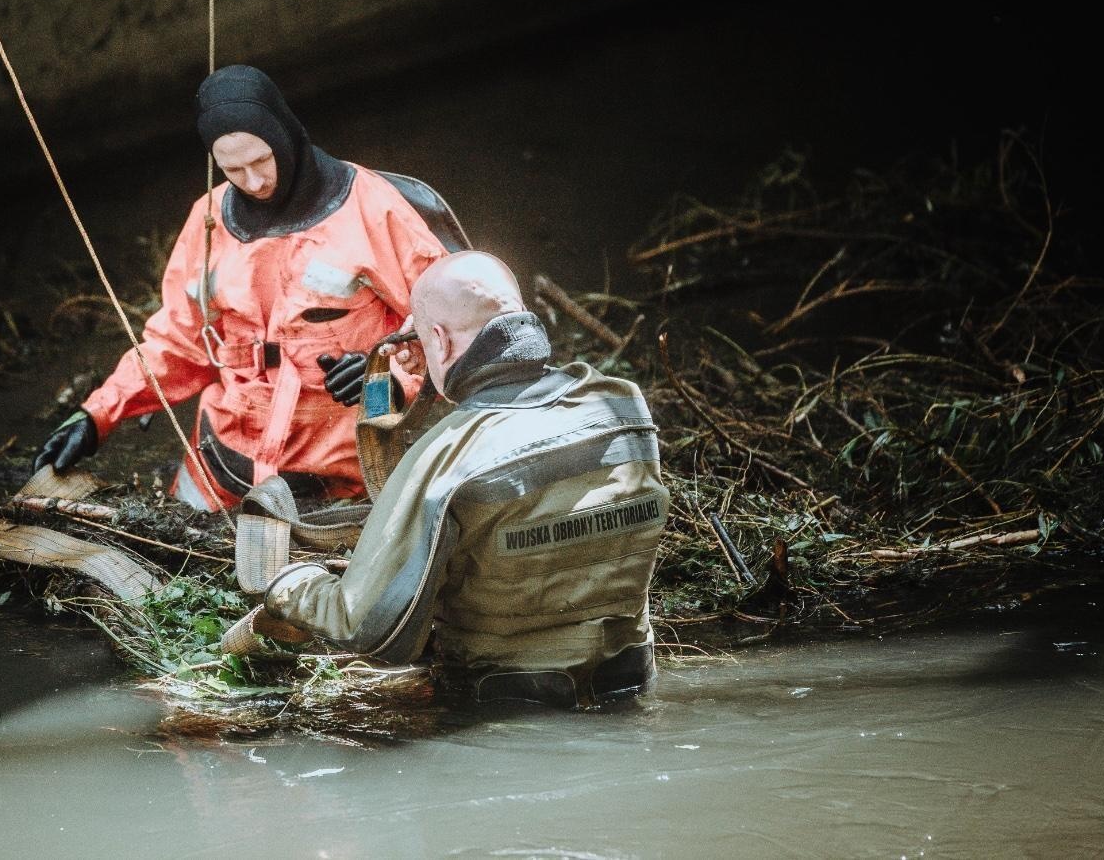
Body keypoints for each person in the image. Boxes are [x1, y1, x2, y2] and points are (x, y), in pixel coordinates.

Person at [246, 251, 671, 707]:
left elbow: (365, 627)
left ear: (440, 340)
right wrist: (434, 360)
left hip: (506, 707)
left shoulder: (446, 455)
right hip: (629, 684)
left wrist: (289, 585)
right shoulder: (622, 404)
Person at [34, 64, 459, 510]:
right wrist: (97, 415)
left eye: (261, 161)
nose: (254, 182)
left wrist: (383, 379)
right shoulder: (209, 220)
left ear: (285, 137)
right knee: (173, 544)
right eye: (233, 169)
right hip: (224, 464)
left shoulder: (371, 208)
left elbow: (447, 326)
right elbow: (179, 343)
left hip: (348, 475)